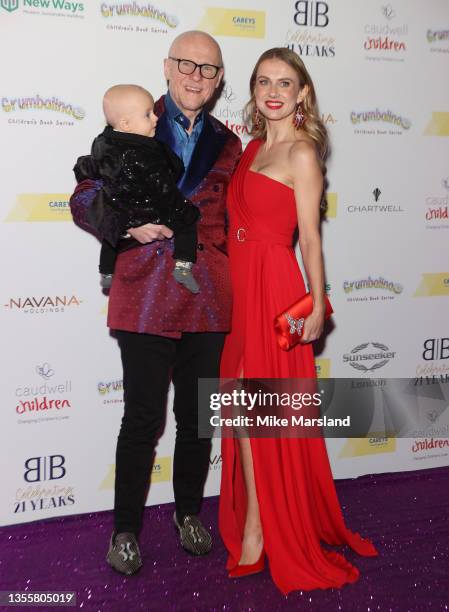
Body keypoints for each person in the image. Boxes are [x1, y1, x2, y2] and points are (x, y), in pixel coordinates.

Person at [70, 31, 241, 575]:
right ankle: (125, 530)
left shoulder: (228, 141)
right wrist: (127, 225)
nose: (195, 75)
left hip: (207, 291)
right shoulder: (132, 116)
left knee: (196, 418)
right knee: (142, 417)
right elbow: (84, 194)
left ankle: (189, 512)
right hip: (144, 288)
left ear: (218, 81)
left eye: (208, 69)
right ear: (168, 68)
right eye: (186, 64)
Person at [218, 48, 378, 595]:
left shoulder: (303, 154)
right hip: (241, 289)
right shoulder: (252, 148)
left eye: (286, 82)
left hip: (275, 289)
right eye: (264, 81)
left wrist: (315, 300)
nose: (274, 91)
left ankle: (261, 529)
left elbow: (310, 236)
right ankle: (256, 519)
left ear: (303, 92)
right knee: (238, 406)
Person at [74, 84, 201, 293]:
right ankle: (184, 265)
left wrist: (81, 168)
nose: (155, 119)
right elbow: (82, 199)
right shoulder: (145, 149)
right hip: (137, 280)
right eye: (148, 115)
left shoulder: (103, 142)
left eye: (208, 68)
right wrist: (124, 225)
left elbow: (89, 166)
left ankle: (106, 271)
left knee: (110, 239)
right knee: (188, 220)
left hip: (206, 286)